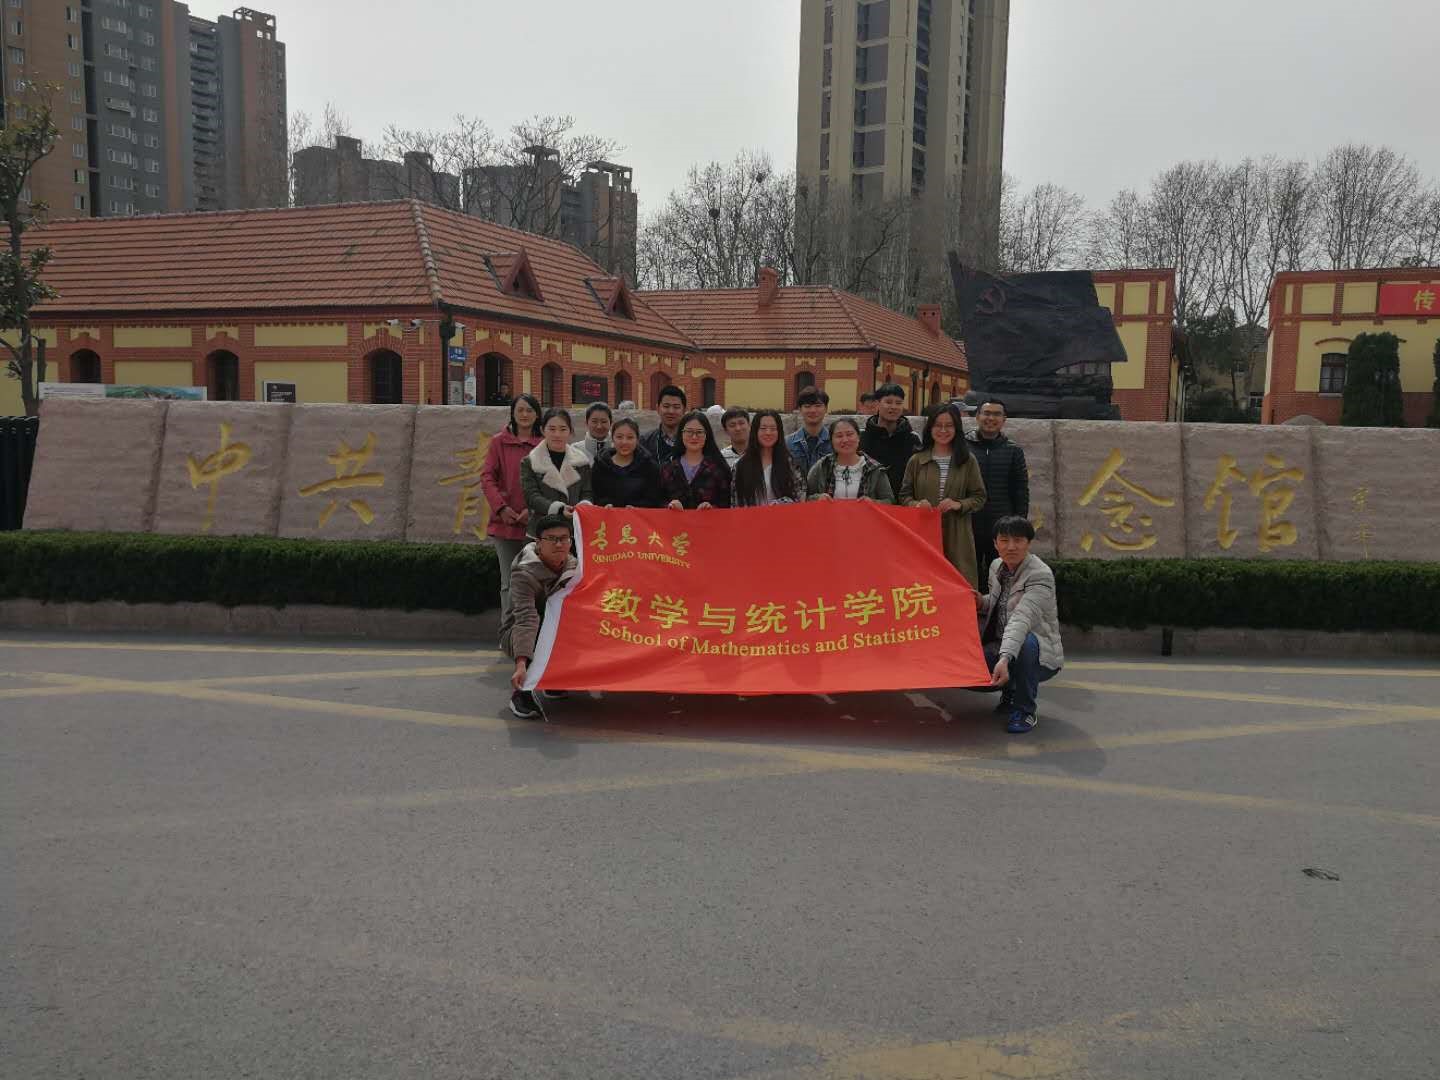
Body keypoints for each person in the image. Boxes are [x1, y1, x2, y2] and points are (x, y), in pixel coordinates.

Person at [977, 515, 1064, 735]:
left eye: (1018, 540)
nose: (1011, 547)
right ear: (995, 544)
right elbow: (999, 604)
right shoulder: (996, 566)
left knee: (1026, 642)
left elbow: (1021, 618)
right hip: (1002, 645)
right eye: (1004, 540)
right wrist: (980, 602)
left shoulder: (1040, 575)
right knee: (965, 669)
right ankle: (1010, 693)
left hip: (1038, 654)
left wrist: (1004, 659)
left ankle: (1025, 710)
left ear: (1029, 543)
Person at [899, 402, 987, 587]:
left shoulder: (967, 461)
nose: (943, 430)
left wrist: (959, 504)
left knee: (958, 585)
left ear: (957, 429)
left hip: (957, 534)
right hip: (923, 533)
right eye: (938, 425)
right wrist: (916, 504)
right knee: (924, 585)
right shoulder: (917, 460)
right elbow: (904, 496)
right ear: (930, 428)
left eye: (949, 425)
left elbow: (979, 497)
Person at [500, 514, 579, 720]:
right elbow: (526, 619)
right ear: (538, 543)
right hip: (519, 631)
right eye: (552, 539)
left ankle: (553, 681)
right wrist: (521, 664)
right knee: (541, 626)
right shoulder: (523, 574)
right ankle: (522, 694)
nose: (559, 544)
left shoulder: (574, 567)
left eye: (564, 538)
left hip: (552, 625)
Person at [479, 393, 543, 625]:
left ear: (537, 415)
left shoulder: (544, 444)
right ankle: (508, 633)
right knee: (509, 582)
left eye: (529, 410)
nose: (524, 414)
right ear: (513, 414)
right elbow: (487, 478)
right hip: (504, 524)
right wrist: (501, 508)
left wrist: (531, 510)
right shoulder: (499, 442)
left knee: (534, 582)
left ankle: (530, 632)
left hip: (535, 525)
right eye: (520, 410)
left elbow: (549, 482)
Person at [966, 396, 1030, 573]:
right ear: (977, 416)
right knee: (969, 573)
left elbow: (1020, 491)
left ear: (1004, 419)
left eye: (996, 414)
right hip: (968, 523)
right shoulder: (963, 446)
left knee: (1001, 574)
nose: (991, 418)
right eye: (986, 413)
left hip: (1002, 526)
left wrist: (1019, 524)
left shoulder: (1013, 450)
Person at [520, 407, 593, 528]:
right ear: (542, 430)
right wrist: (558, 509)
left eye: (563, 429)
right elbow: (532, 496)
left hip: (574, 528)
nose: (557, 434)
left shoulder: (581, 461)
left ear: (570, 431)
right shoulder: (530, 462)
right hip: (541, 530)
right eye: (552, 429)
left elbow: (587, 492)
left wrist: (583, 506)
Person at [807, 416, 894, 502]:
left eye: (849, 434)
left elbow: (890, 501)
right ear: (831, 441)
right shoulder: (822, 467)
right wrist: (817, 498)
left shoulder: (874, 469)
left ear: (858, 437)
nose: (845, 440)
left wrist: (872, 502)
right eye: (839, 436)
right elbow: (805, 497)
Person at [732, 410, 806, 507]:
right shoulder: (740, 465)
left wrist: (780, 504)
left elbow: (800, 496)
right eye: (763, 428)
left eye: (773, 429)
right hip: (751, 516)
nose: (768, 433)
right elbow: (735, 502)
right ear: (755, 431)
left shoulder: (790, 463)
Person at [660, 410, 731, 510]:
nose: (694, 437)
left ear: (707, 435)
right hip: (674, 520)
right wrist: (669, 506)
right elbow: (657, 501)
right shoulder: (668, 468)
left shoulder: (718, 469)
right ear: (681, 434)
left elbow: (727, 504)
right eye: (689, 432)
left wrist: (712, 508)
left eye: (699, 432)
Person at [861, 382, 921, 497]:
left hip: (902, 501)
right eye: (888, 402)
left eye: (898, 403)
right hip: (868, 501)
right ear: (877, 404)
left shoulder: (912, 439)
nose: (893, 407)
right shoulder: (862, 437)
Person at [591, 417, 662, 508]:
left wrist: (637, 508)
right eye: (619, 437)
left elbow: (655, 500)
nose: (624, 442)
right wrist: (604, 505)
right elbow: (594, 496)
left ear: (637, 439)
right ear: (612, 438)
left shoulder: (650, 466)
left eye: (630, 437)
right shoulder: (600, 464)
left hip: (639, 516)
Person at [785, 386, 833, 474]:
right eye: (807, 406)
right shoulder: (788, 443)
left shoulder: (834, 442)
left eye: (818, 406)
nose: (813, 410)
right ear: (800, 409)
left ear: (826, 408)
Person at [641, 384, 687, 465]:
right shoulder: (645, 441)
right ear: (658, 408)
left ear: (684, 410)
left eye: (676, 407)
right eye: (666, 406)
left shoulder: (692, 440)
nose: (671, 411)